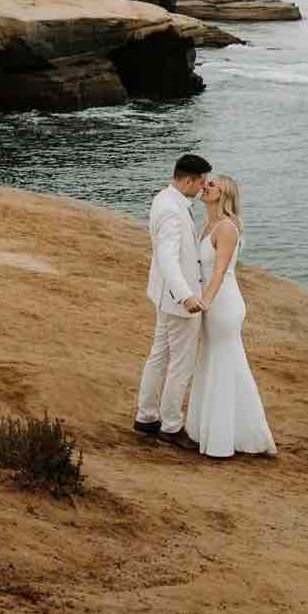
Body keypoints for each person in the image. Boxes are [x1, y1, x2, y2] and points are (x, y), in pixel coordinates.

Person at [186, 174, 277, 458]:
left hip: (223, 304)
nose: (205, 186)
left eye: (212, 185)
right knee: (213, 361)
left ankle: (225, 438)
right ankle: (211, 430)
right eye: (206, 183)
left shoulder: (226, 228)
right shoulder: (207, 225)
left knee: (225, 362)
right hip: (211, 302)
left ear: (224, 196)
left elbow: (220, 270)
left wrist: (205, 301)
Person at [134, 154, 212, 450]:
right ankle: (170, 425)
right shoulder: (171, 209)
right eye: (201, 182)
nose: (203, 188)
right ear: (189, 180)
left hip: (164, 296)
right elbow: (167, 257)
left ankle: (146, 417)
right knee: (180, 364)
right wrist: (186, 296)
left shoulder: (166, 199)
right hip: (177, 300)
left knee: (158, 356)